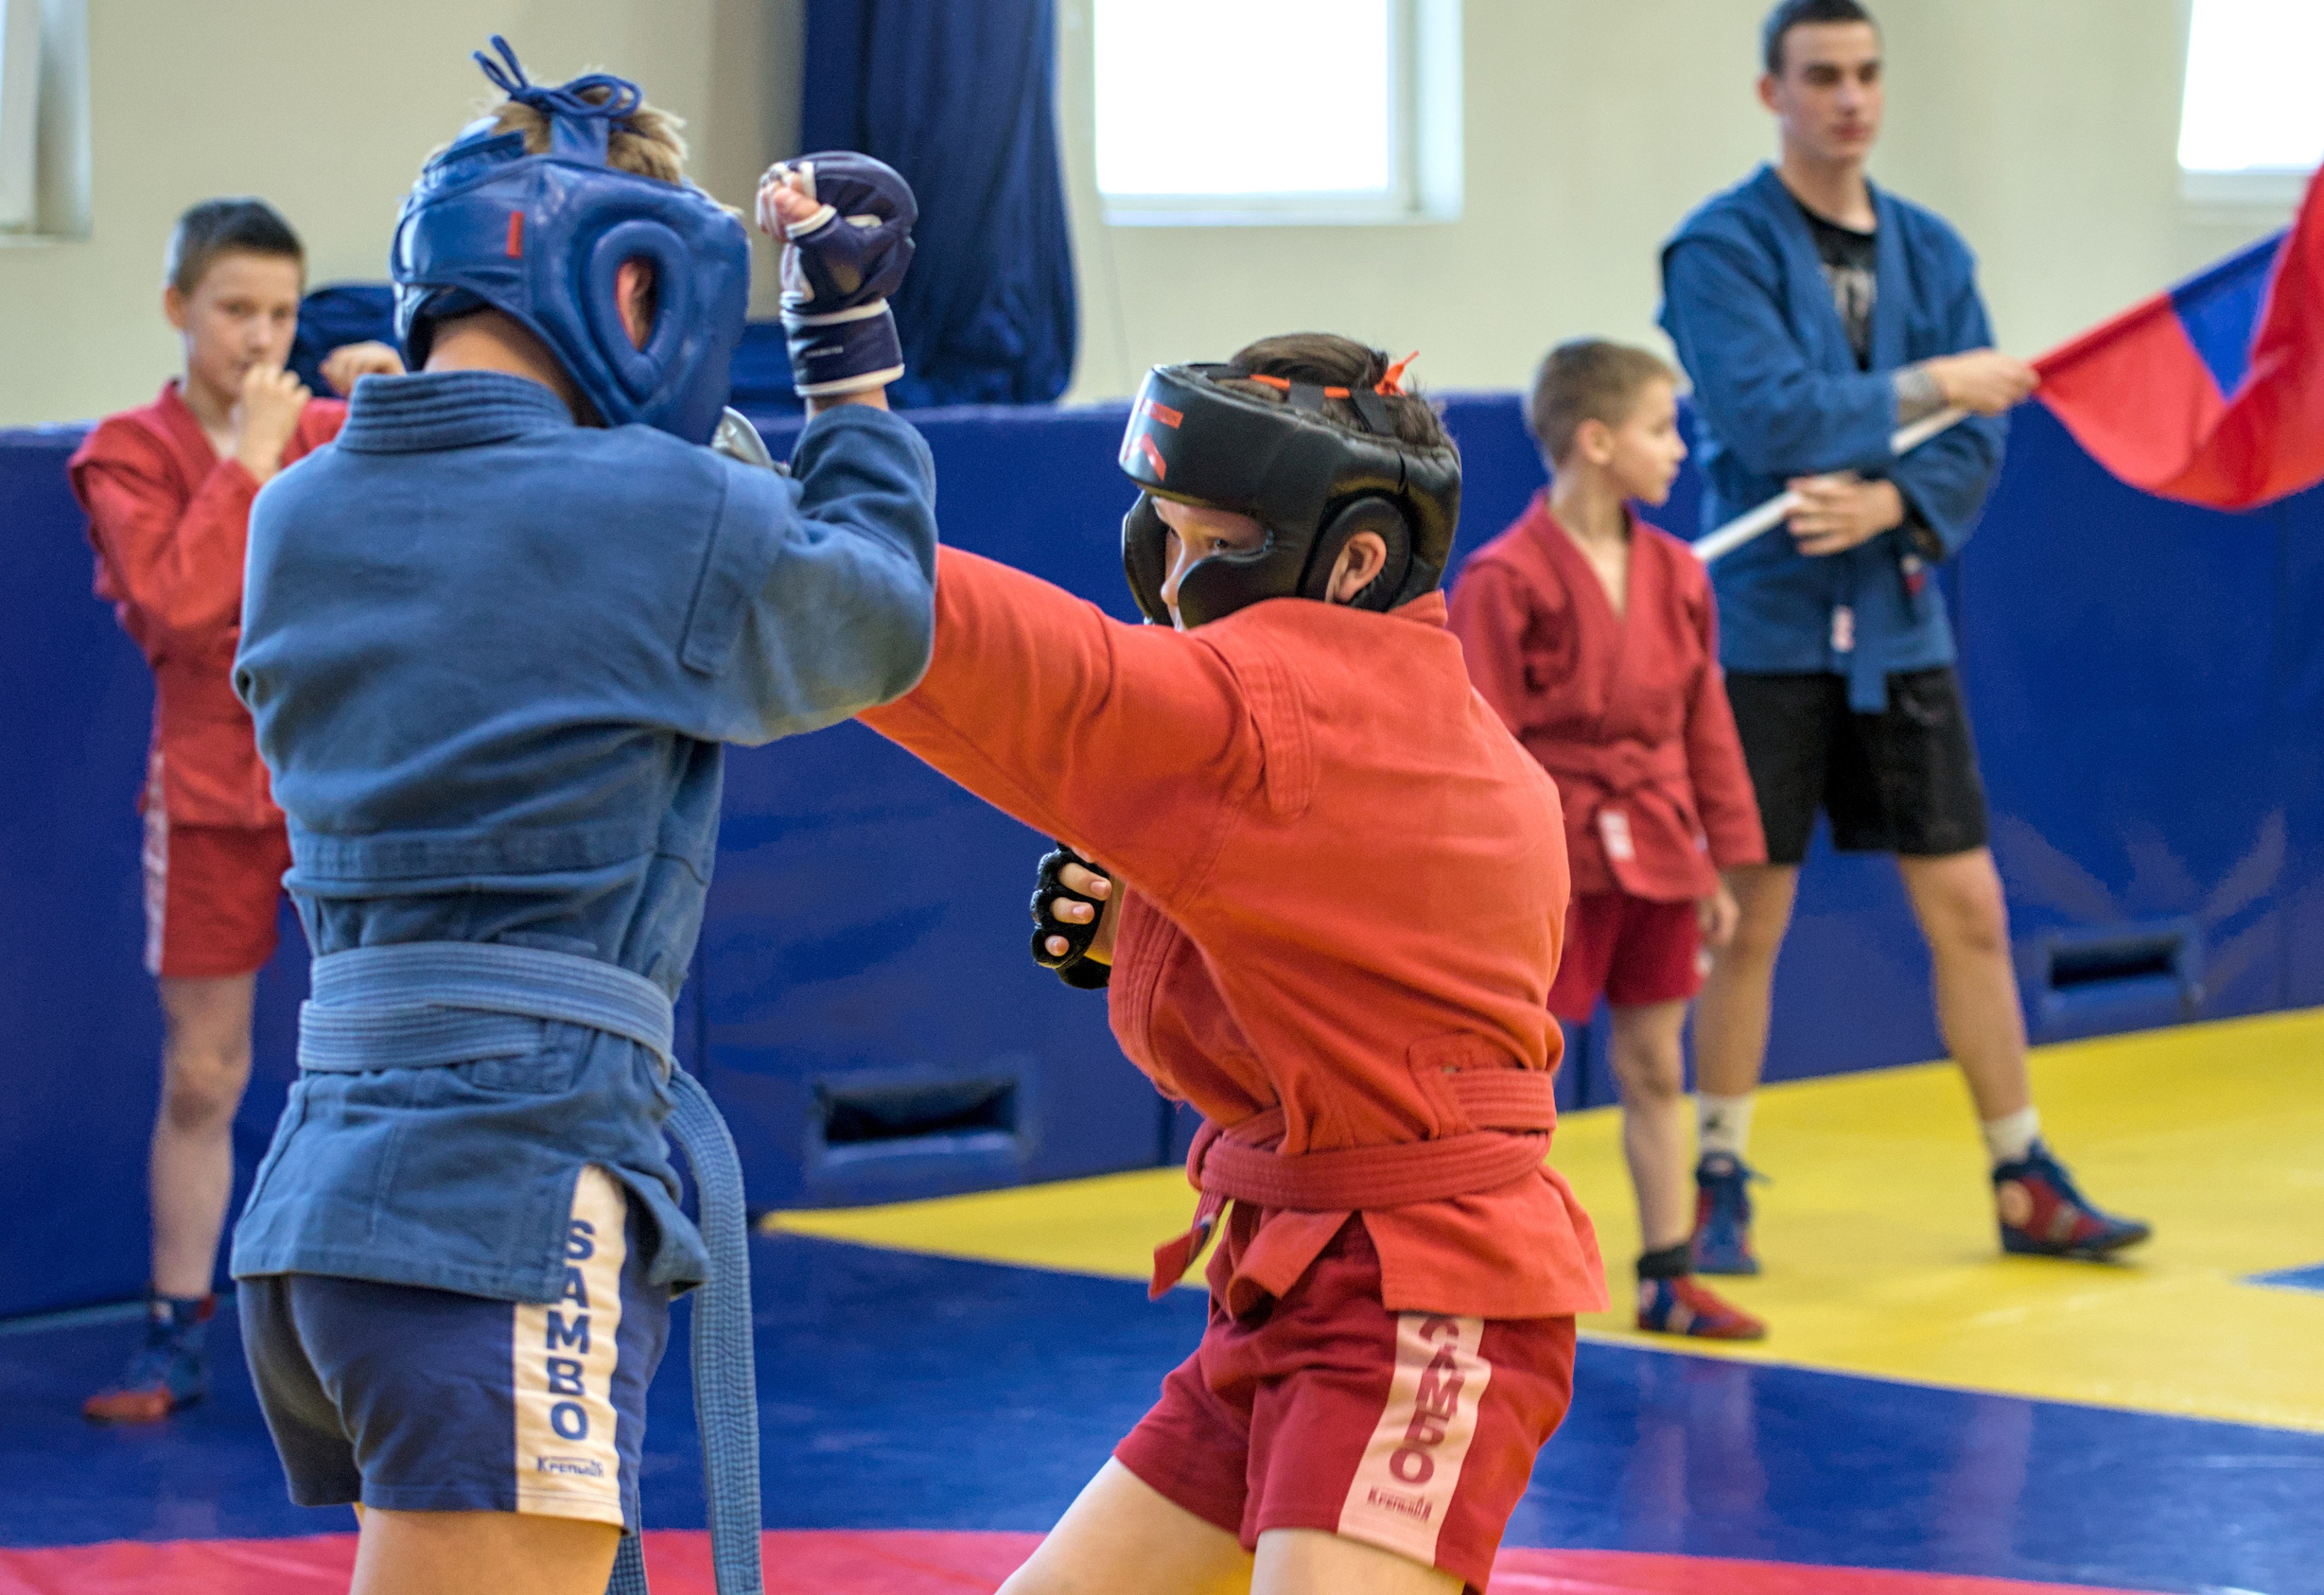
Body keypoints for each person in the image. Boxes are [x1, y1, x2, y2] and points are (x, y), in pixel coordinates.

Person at [226, 42, 935, 1595]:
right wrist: (850, 359)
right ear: (627, 286)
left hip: (331, 1197)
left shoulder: (297, 511)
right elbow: (878, 619)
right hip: (509, 1190)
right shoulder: (646, 514)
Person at [826, 312, 1604, 1592]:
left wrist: (822, 455)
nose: (1177, 579)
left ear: (1352, 560)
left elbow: (1034, 677)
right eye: (1166, 533)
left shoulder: (1287, 712)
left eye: (1216, 543)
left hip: (1420, 1290)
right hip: (1289, 1289)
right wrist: (1166, 933)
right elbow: (1361, 980)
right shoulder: (1400, 716)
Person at [1659, 0, 2149, 1270]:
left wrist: (1892, 498)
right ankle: (1718, 1174)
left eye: (1867, 74)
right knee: (1748, 914)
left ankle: (2022, 1170)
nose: (1849, 99)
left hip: (1897, 623)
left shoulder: (1932, 252)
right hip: (1766, 634)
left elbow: (1982, 437)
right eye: (1822, 76)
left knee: (1971, 907)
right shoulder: (1714, 251)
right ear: (1772, 92)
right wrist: (1933, 386)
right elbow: (1771, 419)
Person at [67, 198, 402, 1422]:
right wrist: (253, 456)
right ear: (178, 310)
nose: (261, 338)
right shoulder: (124, 451)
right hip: (210, 797)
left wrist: (396, 392)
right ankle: (175, 1329)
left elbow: (449, 512)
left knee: (377, 1059)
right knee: (206, 1073)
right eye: (234, 311)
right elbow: (173, 608)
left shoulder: (323, 426)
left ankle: (373, 1323)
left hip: (340, 786)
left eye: (281, 312)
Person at [1446, 341, 1768, 1341]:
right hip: (1553, 855)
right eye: (1660, 428)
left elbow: (1702, 719)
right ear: (1595, 440)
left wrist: (1720, 856)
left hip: (1659, 844)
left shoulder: (1675, 572)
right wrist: (1494, 881)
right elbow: (1482, 741)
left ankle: (1666, 1272)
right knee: (1512, 1077)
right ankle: (1491, 1266)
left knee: (1654, 1064)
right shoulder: (1503, 580)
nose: (1679, 450)